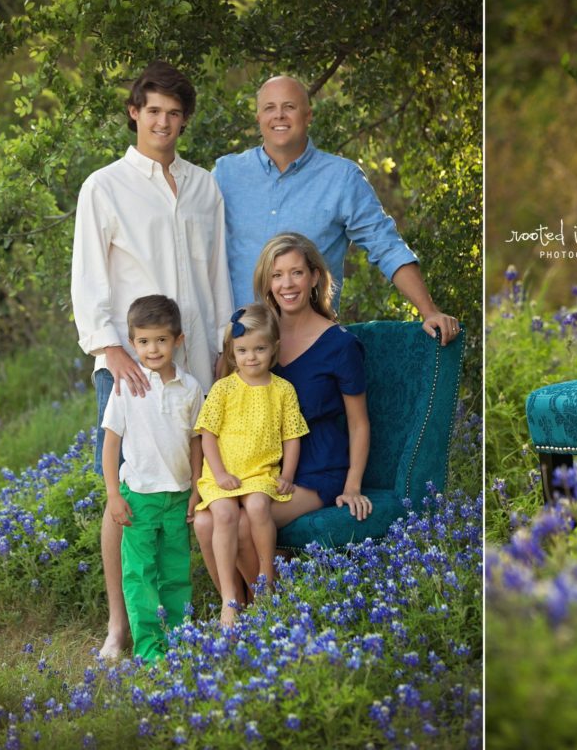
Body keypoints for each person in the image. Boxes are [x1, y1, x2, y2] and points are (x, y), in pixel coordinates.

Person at [71, 60, 233, 658]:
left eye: (174, 113)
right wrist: (111, 352)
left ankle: (182, 614)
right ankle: (120, 624)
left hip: (193, 370)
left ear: (184, 120)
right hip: (131, 370)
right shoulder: (104, 186)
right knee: (129, 496)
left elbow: (215, 273)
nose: (162, 122)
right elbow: (88, 278)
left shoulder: (203, 186)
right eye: (153, 110)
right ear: (135, 112)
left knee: (193, 485)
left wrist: (220, 347)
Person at [212, 74, 460, 345]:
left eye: (289, 107)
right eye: (270, 108)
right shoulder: (226, 174)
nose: (279, 116)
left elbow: (386, 245)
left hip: (310, 349)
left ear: (309, 116)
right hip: (240, 350)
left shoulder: (342, 178)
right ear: (258, 117)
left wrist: (429, 311)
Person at [193, 232, 372, 602]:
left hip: (315, 467)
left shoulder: (339, 344)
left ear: (314, 278)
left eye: (296, 273)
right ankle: (239, 610)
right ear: (266, 283)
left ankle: (270, 607)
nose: (287, 284)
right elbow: (226, 407)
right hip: (257, 464)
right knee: (208, 520)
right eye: (277, 275)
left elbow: (358, 422)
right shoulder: (254, 336)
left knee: (244, 523)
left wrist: (352, 485)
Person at [100, 295, 203, 662]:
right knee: (140, 575)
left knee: (176, 572)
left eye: (161, 340)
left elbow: (196, 441)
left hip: (177, 495)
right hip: (139, 497)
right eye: (143, 341)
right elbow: (111, 445)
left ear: (178, 340)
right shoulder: (126, 386)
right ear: (133, 343)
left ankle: (178, 640)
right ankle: (147, 647)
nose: (152, 348)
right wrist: (114, 494)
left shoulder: (191, 388)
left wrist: (196, 488)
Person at [194, 302, 309, 627]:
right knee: (226, 514)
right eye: (242, 350)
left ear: (273, 349)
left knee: (259, 506)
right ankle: (230, 597)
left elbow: (292, 437)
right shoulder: (223, 388)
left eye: (259, 349)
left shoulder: (283, 390)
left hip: (260, 472)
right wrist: (219, 473)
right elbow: (208, 436)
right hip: (223, 473)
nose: (251, 357)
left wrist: (287, 475)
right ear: (233, 351)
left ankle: (265, 581)